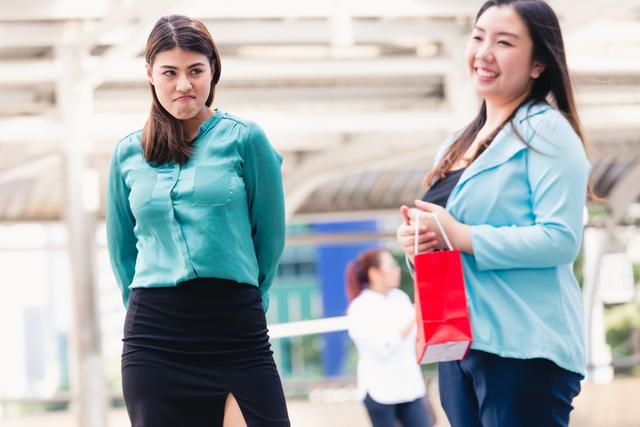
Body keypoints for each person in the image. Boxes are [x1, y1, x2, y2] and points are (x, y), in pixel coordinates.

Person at [396, 1, 594, 426]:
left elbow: (561, 239)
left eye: (504, 42)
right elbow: (450, 243)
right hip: (459, 343)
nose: (484, 52)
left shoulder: (548, 131)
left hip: (524, 347)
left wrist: (459, 233)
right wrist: (422, 242)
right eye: (478, 36)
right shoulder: (453, 145)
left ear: (539, 63)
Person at [105, 15, 289, 426]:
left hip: (236, 329)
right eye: (170, 72)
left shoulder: (246, 139)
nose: (183, 85)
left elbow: (270, 238)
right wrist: (142, 309)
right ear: (150, 74)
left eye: (195, 71)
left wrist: (248, 304)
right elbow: (121, 252)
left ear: (212, 71)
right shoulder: (126, 154)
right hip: (155, 338)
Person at [345, 249, 432, 427]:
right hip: (380, 391)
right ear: (374, 273)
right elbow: (381, 347)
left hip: (410, 387)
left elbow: (418, 338)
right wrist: (415, 317)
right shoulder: (360, 308)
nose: (398, 269)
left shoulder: (400, 298)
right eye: (391, 266)